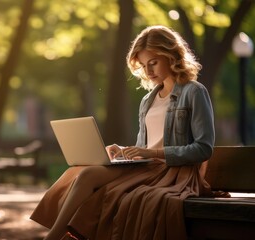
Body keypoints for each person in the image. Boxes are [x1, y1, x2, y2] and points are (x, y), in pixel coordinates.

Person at [30, 25, 215, 240]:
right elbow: (144, 147)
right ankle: (54, 234)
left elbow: (204, 148)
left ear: (171, 55)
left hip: (174, 172)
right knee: (85, 172)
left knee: (127, 196)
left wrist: (153, 154)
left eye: (153, 63)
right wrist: (123, 151)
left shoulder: (194, 91)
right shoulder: (147, 100)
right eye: (144, 65)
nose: (148, 71)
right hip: (145, 167)